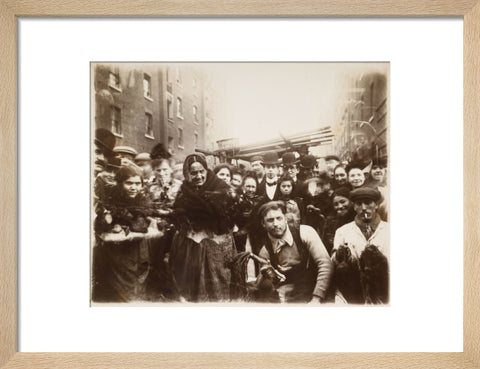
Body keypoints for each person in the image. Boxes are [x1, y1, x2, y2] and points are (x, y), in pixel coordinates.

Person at [169, 153, 237, 302]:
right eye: (194, 173)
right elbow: (178, 215)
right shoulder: (184, 191)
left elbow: (230, 217)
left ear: (207, 170)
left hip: (216, 246)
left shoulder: (221, 187)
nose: (198, 176)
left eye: (201, 171)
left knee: (217, 285)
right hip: (192, 247)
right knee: (194, 287)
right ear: (187, 174)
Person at [92, 164, 164, 302]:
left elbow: (141, 225)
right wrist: (110, 222)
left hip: (139, 248)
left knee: (139, 279)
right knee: (121, 287)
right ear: (120, 183)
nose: (133, 187)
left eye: (138, 183)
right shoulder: (110, 200)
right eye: (129, 183)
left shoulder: (142, 201)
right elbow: (101, 225)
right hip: (117, 252)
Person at [254, 201, 333, 303]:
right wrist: (266, 276)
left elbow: (325, 265)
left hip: (315, 288)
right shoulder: (265, 251)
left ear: (285, 219)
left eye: (279, 218)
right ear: (263, 224)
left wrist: (316, 299)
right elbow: (266, 287)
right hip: (289, 294)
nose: (275, 224)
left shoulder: (305, 232)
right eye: (270, 220)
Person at [332, 187, 389, 304]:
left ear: (376, 205)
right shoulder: (342, 231)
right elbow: (334, 263)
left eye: (368, 203)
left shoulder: (389, 230)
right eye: (358, 204)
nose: (363, 208)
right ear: (354, 207)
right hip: (351, 293)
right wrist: (339, 256)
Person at [321, 186, 355, 255]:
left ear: (351, 201)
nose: (339, 206)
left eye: (343, 202)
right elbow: (326, 246)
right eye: (335, 204)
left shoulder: (359, 219)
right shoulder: (330, 222)